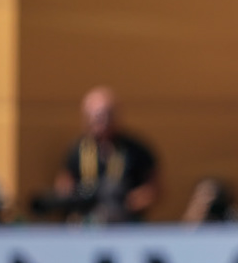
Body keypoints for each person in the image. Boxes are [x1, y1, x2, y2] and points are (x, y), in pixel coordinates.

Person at [46, 85, 157, 221]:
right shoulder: (78, 149)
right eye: (95, 117)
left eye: (106, 116)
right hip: (86, 220)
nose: (101, 122)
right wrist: (74, 198)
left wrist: (130, 202)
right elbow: (64, 183)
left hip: (125, 221)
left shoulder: (134, 150)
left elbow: (154, 188)